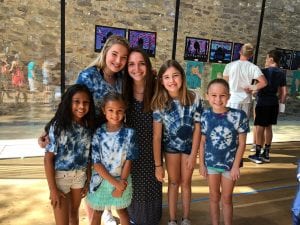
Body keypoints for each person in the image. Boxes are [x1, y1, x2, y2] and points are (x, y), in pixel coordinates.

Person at [76, 34, 130, 224]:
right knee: (92, 181)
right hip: (90, 135)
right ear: (105, 51)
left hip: (113, 138)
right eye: (114, 54)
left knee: (110, 173)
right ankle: (96, 214)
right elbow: (72, 104)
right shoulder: (88, 75)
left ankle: (107, 210)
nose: (118, 61)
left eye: (123, 57)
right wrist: (50, 129)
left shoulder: (123, 79)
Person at [151, 60, 203, 225]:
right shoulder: (159, 103)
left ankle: (186, 218)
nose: (171, 80)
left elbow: (197, 129)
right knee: (174, 182)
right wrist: (158, 165)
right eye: (166, 77)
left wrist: (194, 154)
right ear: (161, 80)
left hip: (189, 148)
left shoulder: (194, 97)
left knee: (186, 183)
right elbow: (157, 137)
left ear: (182, 77)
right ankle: (172, 219)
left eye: (175, 76)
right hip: (171, 149)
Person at [43, 84, 96, 225]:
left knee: (74, 215)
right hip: (60, 179)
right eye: (76, 101)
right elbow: (48, 159)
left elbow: (89, 156)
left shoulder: (88, 126)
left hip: (80, 176)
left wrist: (88, 179)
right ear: (68, 102)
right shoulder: (58, 126)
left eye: (86, 102)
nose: (81, 106)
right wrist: (53, 189)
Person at [199, 78, 249, 225]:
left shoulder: (239, 116)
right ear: (207, 95)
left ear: (229, 96)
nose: (218, 99)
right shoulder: (204, 116)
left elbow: (242, 143)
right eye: (214, 95)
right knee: (214, 197)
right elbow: (202, 142)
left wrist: (235, 166)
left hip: (230, 166)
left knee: (227, 198)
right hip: (211, 164)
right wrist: (201, 163)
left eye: (222, 95)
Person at [86, 92, 139, 225]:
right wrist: (116, 184)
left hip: (123, 179)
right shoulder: (98, 133)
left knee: (122, 211)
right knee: (97, 212)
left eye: (119, 111)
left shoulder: (130, 133)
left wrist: (121, 183)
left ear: (124, 111)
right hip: (101, 180)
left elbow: (129, 160)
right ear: (104, 110)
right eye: (111, 110)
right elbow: (96, 163)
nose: (115, 115)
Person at [123, 47, 162, 225]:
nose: (136, 69)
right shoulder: (122, 88)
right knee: (134, 188)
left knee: (152, 186)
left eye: (141, 63)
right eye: (131, 64)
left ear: (148, 65)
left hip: (152, 147)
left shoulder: (156, 88)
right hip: (130, 152)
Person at [248, 50, 287, 164]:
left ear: (271, 59)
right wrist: (282, 107)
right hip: (274, 103)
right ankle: (266, 154)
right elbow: (284, 93)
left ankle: (257, 154)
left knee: (260, 127)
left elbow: (256, 89)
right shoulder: (282, 73)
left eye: (266, 58)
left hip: (263, 102)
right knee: (269, 127)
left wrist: (251, 90)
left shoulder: (263, 71)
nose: (265, 61)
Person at [223, 43, 267, 118]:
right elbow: (264, 82)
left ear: (240, 52)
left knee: (231, 124)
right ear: (251, 55)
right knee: (243, 125)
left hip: (232, 98)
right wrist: (251, 88)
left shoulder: (229, 66)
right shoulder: (254, 67)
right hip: (246, 99)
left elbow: (224, 83)